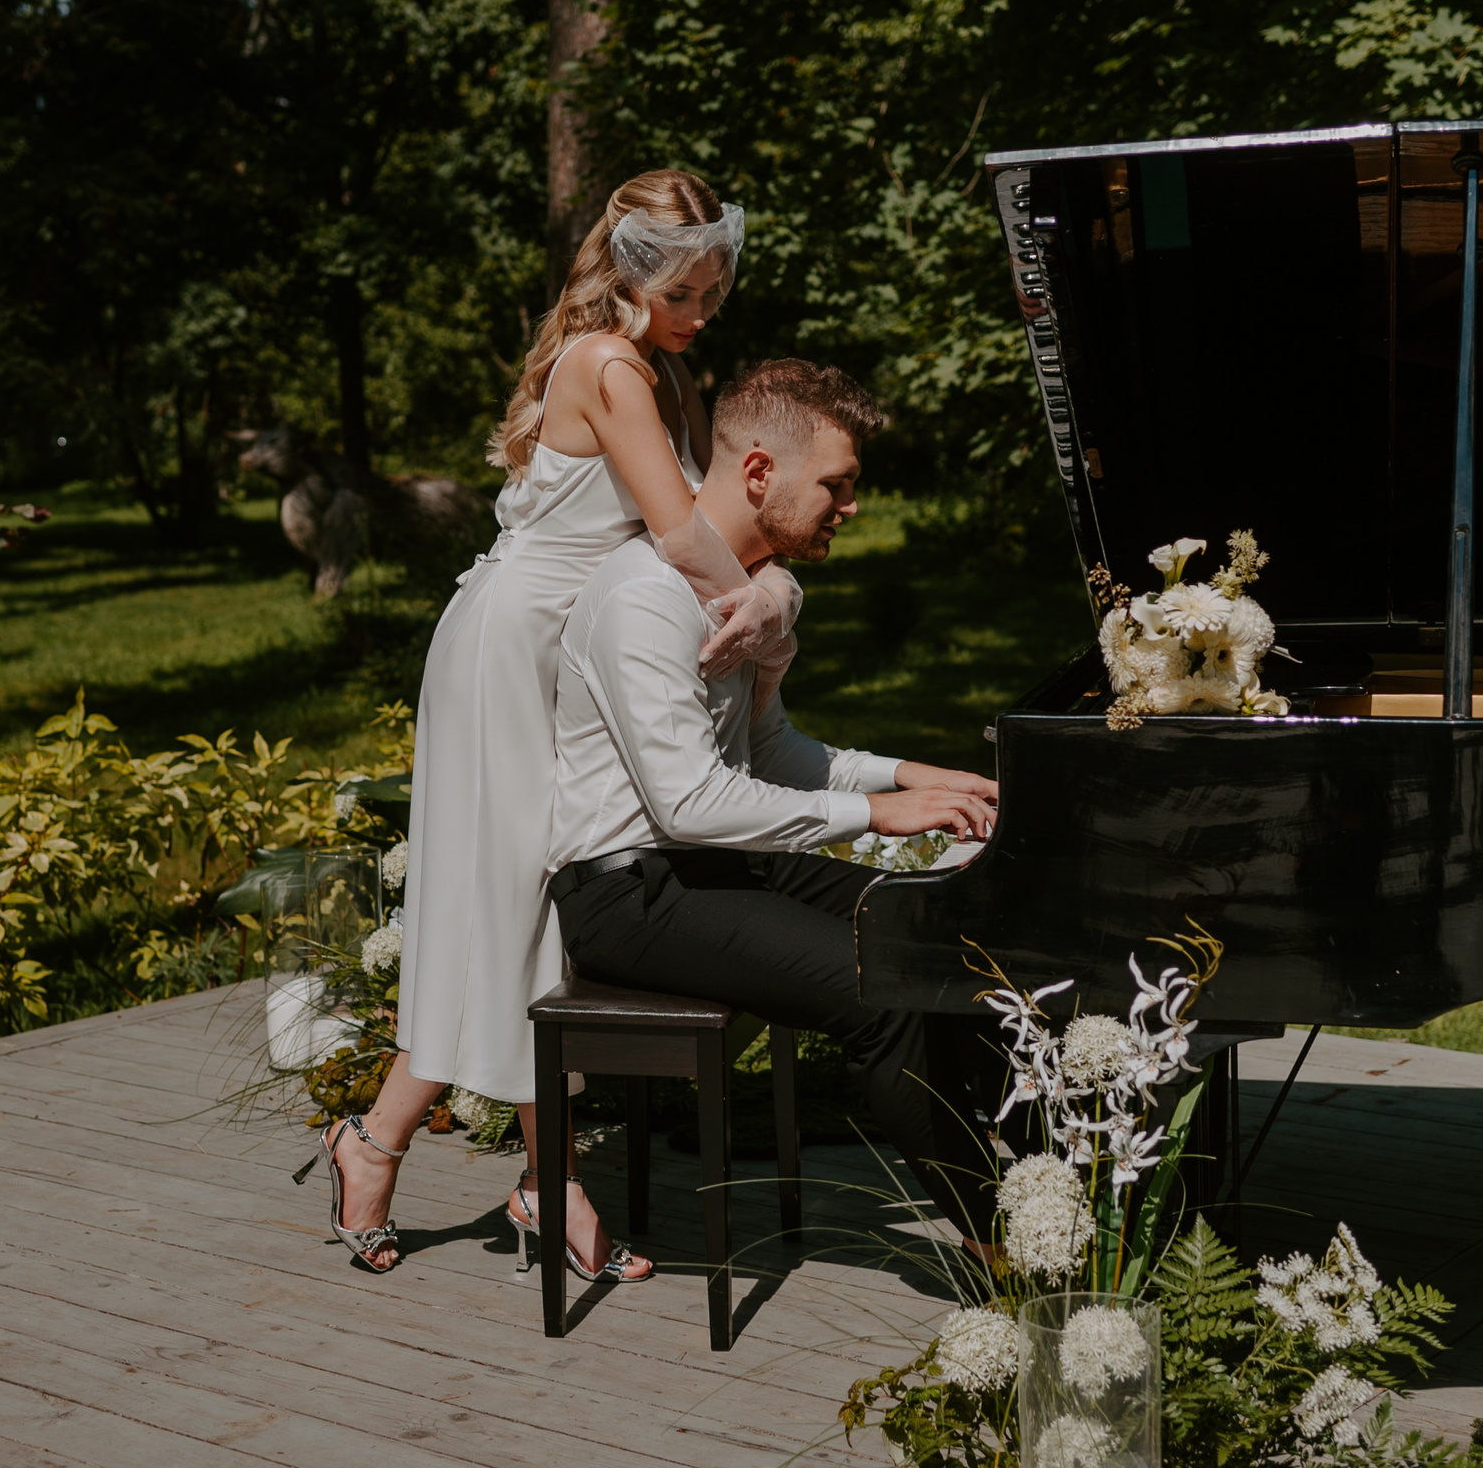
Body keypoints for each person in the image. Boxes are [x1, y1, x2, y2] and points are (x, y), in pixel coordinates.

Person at [309, 170, 800, 1278]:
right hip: (508, 651)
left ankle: (452, 1160)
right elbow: (679, 536)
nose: (705, 308)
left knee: (542, 911)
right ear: (637, 274)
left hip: (563, 651)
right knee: (507, 903)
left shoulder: (658, 367)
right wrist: (767, 612)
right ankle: (481, 1167)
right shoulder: (611, 364)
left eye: (716, 286)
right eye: (690, 288)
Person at [543, 358, 1009, 1251]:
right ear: (761, 472)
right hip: (626, 893)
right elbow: (689, 802)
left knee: (935, 929)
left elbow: (769, 755)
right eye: (836, 484)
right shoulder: (645, 598)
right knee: (882, 992)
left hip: (708, 867)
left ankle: (1035, 1181)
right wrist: (878, 817)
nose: (851, 504)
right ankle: (1003, 1243)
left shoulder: (739, 591)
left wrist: (909, 776)